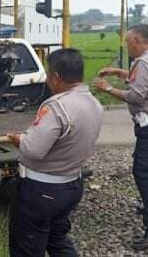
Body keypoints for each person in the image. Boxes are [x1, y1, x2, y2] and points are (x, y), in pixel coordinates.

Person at [7, 49, 104, 257]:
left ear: (56, 77)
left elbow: (33, 150)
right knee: (57, 241)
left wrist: (20, 140)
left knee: (27, 247)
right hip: (71, 185)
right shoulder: (95, 104)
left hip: (42, 190)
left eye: (49, 74)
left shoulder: (58, 106)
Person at [94, 24, 148, 250]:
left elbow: (136, 96)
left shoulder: (143, 62)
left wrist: (107, 88)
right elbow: (142, 80)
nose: (126, 45)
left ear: (138, 40)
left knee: (142, 171)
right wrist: (118, 72)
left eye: (128, 41)